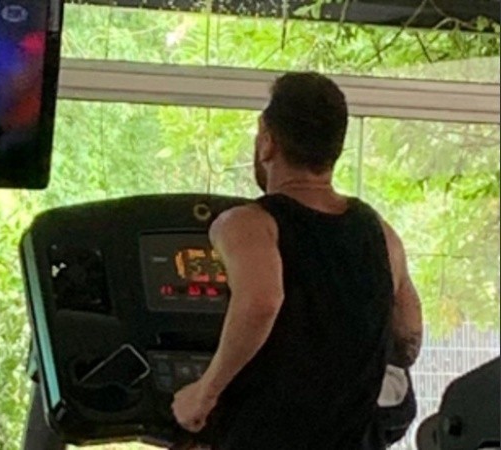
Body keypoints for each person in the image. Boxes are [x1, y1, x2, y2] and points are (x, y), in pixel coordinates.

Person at [171, 72, 424, 449]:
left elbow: (261, 301)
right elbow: (408, 335)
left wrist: (203, 393)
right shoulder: (380, 232)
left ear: (268, 142)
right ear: (334, 150)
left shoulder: (248, 224)